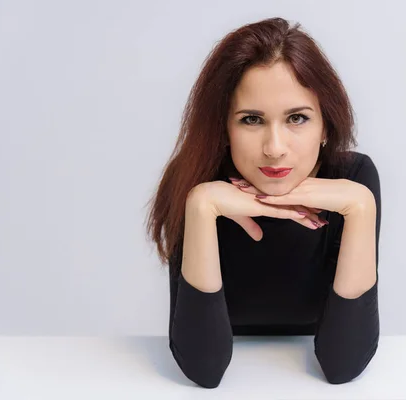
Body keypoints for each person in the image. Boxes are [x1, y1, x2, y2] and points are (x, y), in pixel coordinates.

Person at [146, 17, 382, 388]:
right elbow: (202, 369)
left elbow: (343, 365)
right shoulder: (196, 178)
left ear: (326, 127)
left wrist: (362, 208)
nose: (274, 149)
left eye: (297, 118)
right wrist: (201, 206)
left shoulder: (351, 182)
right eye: (252, 119)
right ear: (223, 128)